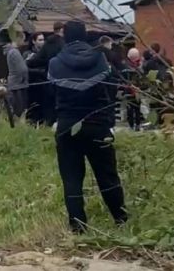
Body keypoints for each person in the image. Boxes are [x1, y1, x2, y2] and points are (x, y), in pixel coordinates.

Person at [48, 21, 127, 233]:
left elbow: (51, 95)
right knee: (107, 176)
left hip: (67, 125)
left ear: (64, 36)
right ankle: (121, 221)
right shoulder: (100, 59)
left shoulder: (55, 63)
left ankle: (78, 228)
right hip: (98, 123)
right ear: (85, 36)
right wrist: (108, 121)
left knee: (72, 179)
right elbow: (110, 92)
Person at [2, 29, 29, 118]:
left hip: (14, 82)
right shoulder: (14, 52)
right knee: (19, 109)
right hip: (18, 83)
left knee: (15, 107)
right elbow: (22, 69)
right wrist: (25, 78)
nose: (23, 42)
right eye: (23, 39)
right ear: (18, 39)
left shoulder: (10, 51)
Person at [122, 48, 143, 131]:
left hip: (128, 90)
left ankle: (131, 126)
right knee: (137, 108)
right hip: (137, 90)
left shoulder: (125, 66)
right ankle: (137, 125)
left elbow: (123, 79)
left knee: (130, 109)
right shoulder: (140, 66)